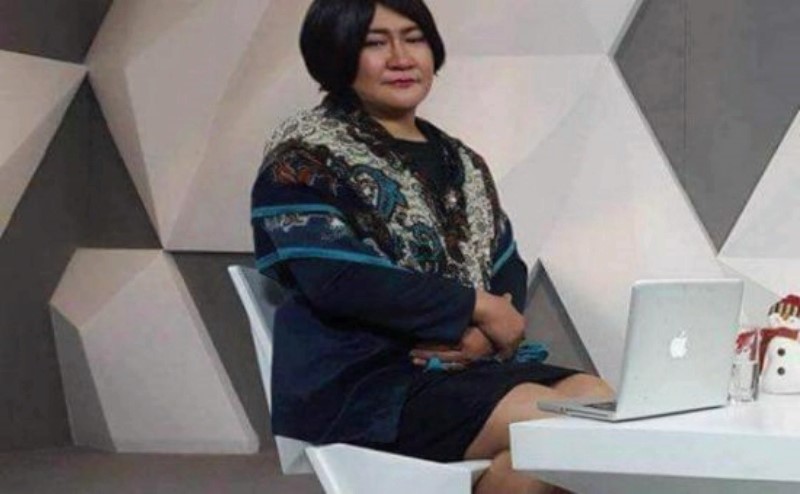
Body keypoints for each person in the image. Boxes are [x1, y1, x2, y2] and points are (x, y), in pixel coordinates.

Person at [251, 0, 614, 492]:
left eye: (414, 37)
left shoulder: (460, 161)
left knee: (597, 401)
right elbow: (337, 280)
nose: (401, 58)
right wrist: (476, 307)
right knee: (566, 432)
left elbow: (504, 261)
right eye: (375, 43)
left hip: (463, 370)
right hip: (367, 379)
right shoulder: (303, 158)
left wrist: (485, 334)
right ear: (336, 54)